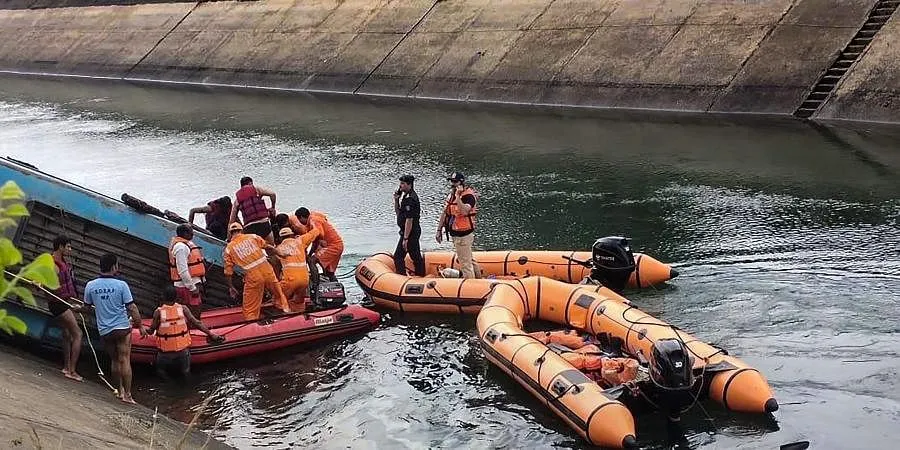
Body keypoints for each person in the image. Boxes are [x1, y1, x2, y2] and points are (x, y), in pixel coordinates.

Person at [82, 253, 148, 405]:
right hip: (122, 328)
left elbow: (86, 308)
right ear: (113, 267)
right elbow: (132, 307)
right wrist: (140, 326)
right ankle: (128, 395)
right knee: (125, 360)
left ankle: (119, 391)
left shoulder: (90, 285)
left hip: (105, 331)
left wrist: (77, 309)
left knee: (114, 360)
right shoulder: (121, 285)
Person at [147, 286, 223, 380]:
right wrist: (211, 334)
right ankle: (188, 387)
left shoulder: (158, 312)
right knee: (186, 371)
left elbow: (151, 331)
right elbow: (197, 323)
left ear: (163, 297)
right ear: (176, 297)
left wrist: (141, 328)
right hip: (183, 352)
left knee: (160, 371)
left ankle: (169, 385)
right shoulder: (183, 308)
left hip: (165, 353)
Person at [223, 222, 290, 320]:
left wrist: (231, 287)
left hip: (253, 277)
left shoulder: (228, 249)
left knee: (250, 307)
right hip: (268, 271)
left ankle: (251, 323)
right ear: (241, 230)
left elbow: (228, 272)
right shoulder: (252, 237)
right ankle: (286, 313)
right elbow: (268, 247)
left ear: (230, 233)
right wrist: (281, 253)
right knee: (279, 294)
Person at [50, 236, 84, 382]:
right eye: (68, 247)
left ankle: (66, 367)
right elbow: (46, 281)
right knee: (78, 334)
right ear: (61, 247)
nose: (70, 250)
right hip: (58, 303)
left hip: (64, 301)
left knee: (67, 334)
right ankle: (72, 370)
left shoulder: (63, 262)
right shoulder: (51, 263)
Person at [435, 172, 479, 279]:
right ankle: (479, 280)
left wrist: (458, 197)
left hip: (463, 235)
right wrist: (439, 230)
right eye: (451, 181)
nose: (452, 183)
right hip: (455, 233)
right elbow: (445, 213)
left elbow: (464, 211)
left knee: (465, 265)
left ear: (461, 183)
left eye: (455, 182)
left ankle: (471, 288)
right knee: (469, 260)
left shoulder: (468, 196)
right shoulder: (451, 195)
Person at [289, 208, 344, 281]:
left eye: (299, 220)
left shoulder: (313, 221)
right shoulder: (313, 217)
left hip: (333, 246)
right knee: (329, 272)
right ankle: (334, 285)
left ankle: (315, 284)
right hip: (337, 245)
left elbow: (319, 236)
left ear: (302, 217)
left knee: (312, 260)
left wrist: (310, 254)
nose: (300, 222)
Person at [275, 226, 322, 311]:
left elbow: (276, 266)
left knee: (278, 299)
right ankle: (301, 316)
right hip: (305, 279)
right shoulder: (300, 240)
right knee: (299, 301)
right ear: (292, 235)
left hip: (290, 280)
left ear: (281, 238)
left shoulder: (278, 249)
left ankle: (284, 317)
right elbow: (315, 231)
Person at [168, 224, 206, 321]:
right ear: (185, 233)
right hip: (185, 287)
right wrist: (192, 287)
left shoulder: (187, 245)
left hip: (191, 284)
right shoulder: (181, 247)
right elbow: (183, 270)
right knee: (192, 312)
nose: (193, 234)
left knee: (196, 310)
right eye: (191, 232)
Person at [393, 175, 425, 276]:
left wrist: (405, 238)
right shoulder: (405, 197)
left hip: (410, 233)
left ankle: (401, 277)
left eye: (403, 184)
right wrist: (396, 200)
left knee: (398, 256)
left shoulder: (411, 199)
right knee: (415, 256)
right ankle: (420, 274)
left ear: (409, 185)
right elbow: (398, 213)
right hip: (407, 232)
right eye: (400, 183)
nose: (400, 186)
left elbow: (409, 220)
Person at [230, 176, 277, 244]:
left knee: (254, 248)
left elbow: (232, 220)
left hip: (249, 228)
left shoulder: (237, 200)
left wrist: (230, 238)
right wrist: (273, 207)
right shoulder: (256, 189)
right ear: (250, 183)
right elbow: (272, 194)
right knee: (271, 246)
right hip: (263, 224)